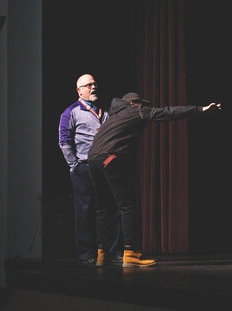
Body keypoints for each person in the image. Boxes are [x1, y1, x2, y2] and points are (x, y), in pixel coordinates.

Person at [88, 92, 221, 267]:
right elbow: (168, 112)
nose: (143, 106)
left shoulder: (113, 117)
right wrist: (200, 110)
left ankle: (102, 255)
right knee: (127, 206)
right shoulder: (136, 111)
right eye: (140, 103)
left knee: (102, 209)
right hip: (111, 158)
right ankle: (130, 254)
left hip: (93, 160)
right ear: (134, 103)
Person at [58, 74, 123, 265]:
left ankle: (114, 251)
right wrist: (74, 165)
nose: (94, 87)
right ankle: (86, 253)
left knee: (113, 208)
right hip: (84, 168)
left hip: (106, 167)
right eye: (89, 85)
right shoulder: (70, 112)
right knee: (84, 211)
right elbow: (64, 141)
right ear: (79, 90)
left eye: (95, 84)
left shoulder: (104, 111)